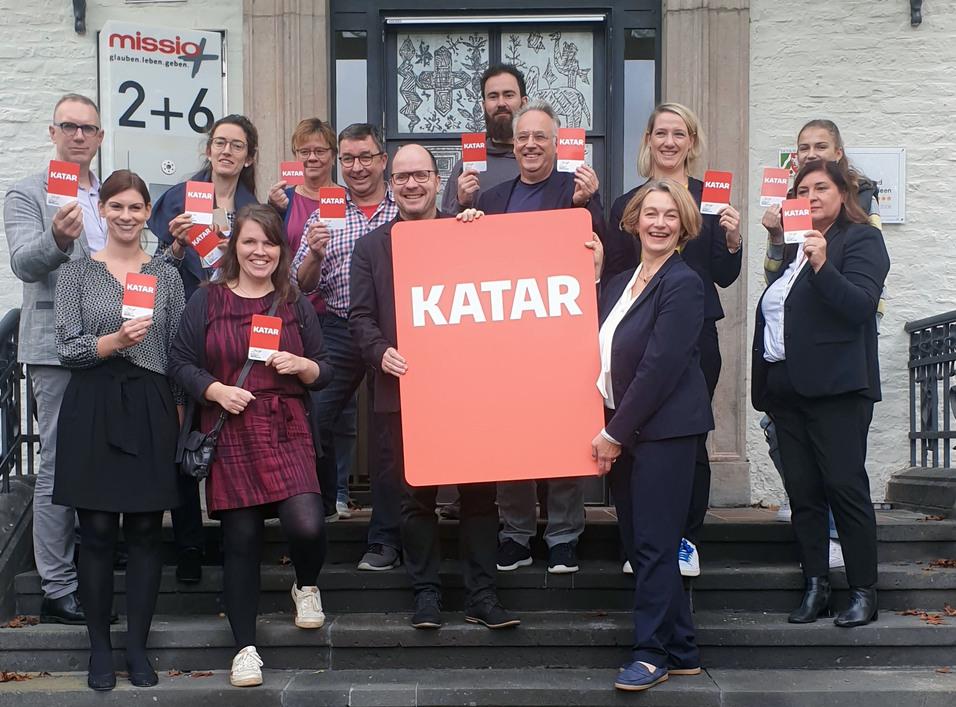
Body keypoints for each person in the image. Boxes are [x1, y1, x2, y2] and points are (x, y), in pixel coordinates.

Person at [349, 144, 520, 630]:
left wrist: (478, 233)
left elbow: (499, 294)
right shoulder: (371, 247)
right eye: (402, 177)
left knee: (480, 496)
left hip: (467, 391)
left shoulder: (465, 229)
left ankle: (482, 596)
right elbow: (359, 317)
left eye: (421, 175)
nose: (412, 185)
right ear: (391, 184)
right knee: (414, 498)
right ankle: (426, 594)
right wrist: (380, 350)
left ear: (436, 179)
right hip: (403, 391)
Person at [169, 205, 333, 688]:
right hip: (231, 428)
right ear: (234, 247)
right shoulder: (207, 299)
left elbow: (324, 368)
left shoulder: (293, 301)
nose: (260, 251)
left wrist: (302, 366)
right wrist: (215, 390)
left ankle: (305, 584)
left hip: (286, 426)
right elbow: (179, 361)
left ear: (281, 249)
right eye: (250, 242)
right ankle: (244, 649)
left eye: (269, 243)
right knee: (240, 541)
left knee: (307, 524)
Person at [52, 170, 184, 691]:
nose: (126, 216)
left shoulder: (166, 274)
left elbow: (176, 350)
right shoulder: (77, 272)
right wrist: (114, 341)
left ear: (148, 212)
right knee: (98, 530)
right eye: (116, 206)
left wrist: (178, 410)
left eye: (135, 207)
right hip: (94, 400)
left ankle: (137, 647)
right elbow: (68, 347)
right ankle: (100, 648)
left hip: (151, 401)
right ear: (102, 211)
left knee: (147, 529)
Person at [603, 103, 742, 578]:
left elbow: (724, 275)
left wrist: (733, 241)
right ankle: (640, 539)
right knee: (631, 432)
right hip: (636, 337)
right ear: (648, 140)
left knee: (688, 436)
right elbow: (617, 275)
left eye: (678, 133)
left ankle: (685, 539)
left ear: (691, 142)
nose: (669, 141)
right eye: (660, 133)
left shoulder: (710, 199)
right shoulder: (628, 203)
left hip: (695, 332)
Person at [752, 160, 890, 628]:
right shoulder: (795, 246)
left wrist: (822, 263)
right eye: (802, 190)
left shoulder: (861, 239)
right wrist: (783, 243)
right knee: (803, 493)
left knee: (844, 488)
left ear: (843, 193)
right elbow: (779, 305)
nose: (810, 196)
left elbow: (860, 306)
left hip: (837, 389)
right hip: (786, 388)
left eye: (820, 188)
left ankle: (863, 591)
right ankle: (816, 586)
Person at [591, 179, 713, 692]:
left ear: (684, 226)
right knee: (643, 542)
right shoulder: (620, 282)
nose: (659, 223)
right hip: (628, 430)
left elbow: (660, 367)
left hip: (665, 432)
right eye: (651, 213)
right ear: (634, 220)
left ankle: (650, 654)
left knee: (655, 544)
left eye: (670, 215)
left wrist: (614, 433)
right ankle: (682, 650)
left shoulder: (684, 283)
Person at [476, 100, 604, 575]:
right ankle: (515, 534)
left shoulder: (577, 192)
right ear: (513, 145)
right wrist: (465, 219)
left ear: (555, 143)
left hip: (562, 337)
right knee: (512, 436)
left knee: (564, 435)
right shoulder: (492, 199)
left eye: (540, 137)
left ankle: (564, 536)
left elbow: (604, 255)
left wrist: (589, 205)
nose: (531, 145)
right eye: (523, 137)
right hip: (506, 341)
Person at [3, 93, 108, 626]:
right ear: (52, 132)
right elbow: (24, 262)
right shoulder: (27, 192)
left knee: (103, 458)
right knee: (59, 464)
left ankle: (95, 555)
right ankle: (57, 584)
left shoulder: (111, 194)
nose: (79, 136)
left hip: (113, 345)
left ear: (100, 137)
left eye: (88, 128)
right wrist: (57, 238)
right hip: (55, 347)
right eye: (69, 126)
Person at [148, 114, 260, 584]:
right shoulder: (179, 198)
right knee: (181, 433)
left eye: (237, 145)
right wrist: (176, 248)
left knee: (234, 429)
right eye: (220, 143)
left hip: (236, 328)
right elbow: (153, 270)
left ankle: (239, 538)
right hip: (184, 326)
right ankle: (189, 544)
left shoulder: (255, 207)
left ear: (249, 157)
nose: (226, 151)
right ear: (209, 149)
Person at [292, 123, 400, 568]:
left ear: (382, 160)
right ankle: (319, 511)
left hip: (394, 334)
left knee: (389, 438)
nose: (357, 167)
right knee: (311, 420)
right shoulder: (326, 212)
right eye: (349, 159)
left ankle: (385, 538)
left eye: (365, 157)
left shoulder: (404, 205)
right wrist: (315, 255)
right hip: (338, 328)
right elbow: (300, 284)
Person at [267, 118, 358, 521]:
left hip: (335, 313)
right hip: (294, 312)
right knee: (305, 404)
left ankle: (340, 491)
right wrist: (275, 209)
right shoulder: (284, 199)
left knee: (343, 409)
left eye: (320, 150)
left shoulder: (344, 197)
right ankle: (304, 489)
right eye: (304, 151)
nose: (312, 158)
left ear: (333, 156)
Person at [440, 63, 528, 215]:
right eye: (493, 96)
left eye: (508, 95)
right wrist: (461, 204)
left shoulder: (544, 160)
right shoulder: (467, 168)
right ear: (483, 105)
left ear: (524, 102)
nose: (501, 103)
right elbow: (446, 223)